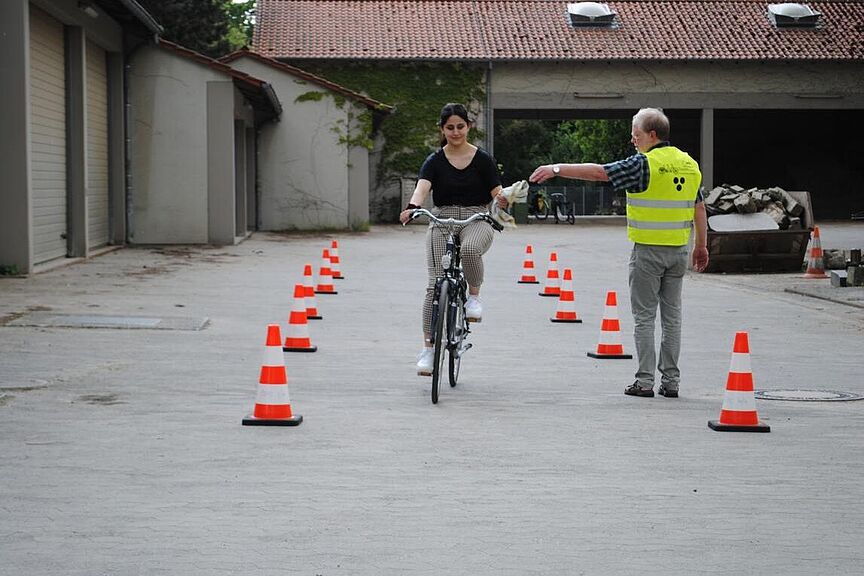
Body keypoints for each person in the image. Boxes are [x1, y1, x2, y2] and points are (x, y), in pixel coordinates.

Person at [529, 108, 709, 398]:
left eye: (636, 135)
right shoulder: (689, 164)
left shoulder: (643, 164)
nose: (633, 140)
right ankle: (671, 381)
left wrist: (557, 169)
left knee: (644, 317)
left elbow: (600, 172)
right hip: (678, 251)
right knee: (672, 317)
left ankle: (645, 381)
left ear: (652, 135)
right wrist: (701, 245)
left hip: (648, 252)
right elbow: (699, 207)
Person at [400, 103, 508, 376]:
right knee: (435, 284)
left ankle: (474, 298)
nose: (456, 132)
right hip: (442, 218)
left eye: (460, 126)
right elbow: (422, 189)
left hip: (476, 217)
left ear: (468, 127)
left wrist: (503, 199)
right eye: (450, 127)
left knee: (470, 249)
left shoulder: (482, 159)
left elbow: (496, 191)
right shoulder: (434, 161)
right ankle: (428, 349)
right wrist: (412, 208)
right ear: (442, 129)